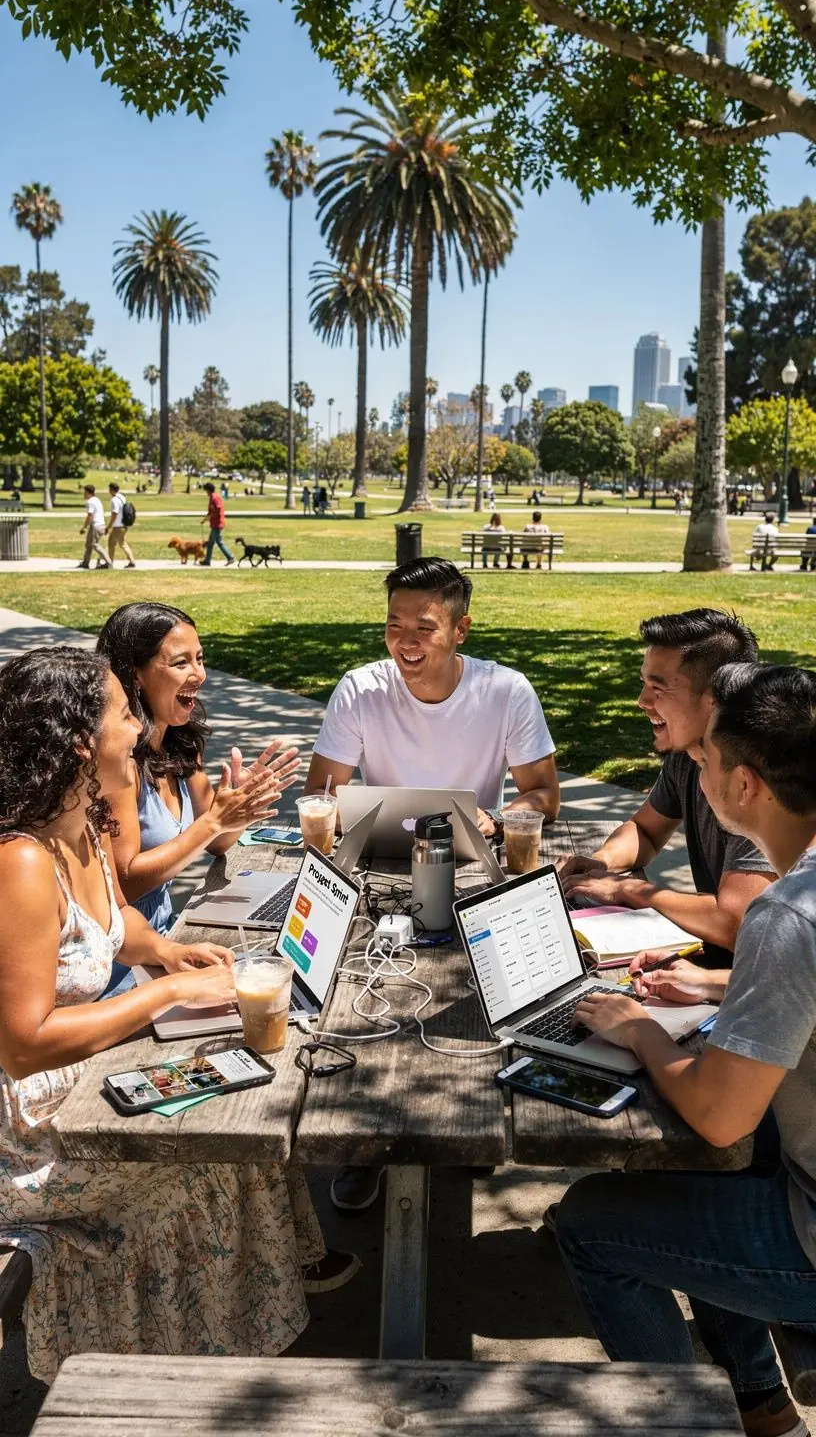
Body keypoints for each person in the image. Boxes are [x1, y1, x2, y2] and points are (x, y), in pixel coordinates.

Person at [0, 646, 355, 1386]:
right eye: (123, 714)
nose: (138, 726)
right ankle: (174, 1377)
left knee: (244, 1110)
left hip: (73, 1085)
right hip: (25, 1137)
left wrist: (165, 951)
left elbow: (114, 923)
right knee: (220, 1144)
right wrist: (161, 995)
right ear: (75, 743)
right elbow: (24, 1045)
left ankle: (221, 1348)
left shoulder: (78, 820)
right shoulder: (21, 861)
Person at [555, 662, 816, 1437]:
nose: (690, 771)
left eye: (703, 762)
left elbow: (718, 1118)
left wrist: (634, 1026)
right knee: (684, 1190)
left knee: (591, 1222)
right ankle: (757, 1405)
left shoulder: (786, 915)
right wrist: (714, 990)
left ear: (746, 787)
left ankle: (686, 1425)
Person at [304, 556, 560, 1211]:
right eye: (393, 625)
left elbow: (543, 796)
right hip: (380, 861)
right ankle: (367, 1145)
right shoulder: (361, 687)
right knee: (369, 993)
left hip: (478, 862)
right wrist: (343, 812)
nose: (406, 641)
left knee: (466, 1000)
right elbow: (322, 793)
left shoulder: (506, 690)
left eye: (424, 626)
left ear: (461, 629)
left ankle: (462, 1131)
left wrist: (493, 818)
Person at [96, 602, 300, 991]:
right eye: (180, 663)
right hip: (122, 964)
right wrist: (213, 822)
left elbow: (218, 842)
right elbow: (124, 884)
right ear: (135, 674)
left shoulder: (180, 743)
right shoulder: (118, 766)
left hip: (165, 942)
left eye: (201, 659)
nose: (200, 674)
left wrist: (238, 809)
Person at [558, 610, 774, 968]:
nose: (642, 702)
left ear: (715, 699)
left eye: (658, 688)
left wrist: (629, 889)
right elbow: (644, 829)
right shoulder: (687, 754)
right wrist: (601, 862)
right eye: (643, 684)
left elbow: (735, 922)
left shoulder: (755, 781)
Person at [200, 481, 234, 566]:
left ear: (209, 490)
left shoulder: (215, 498)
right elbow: (210, 512)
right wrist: (205, 520)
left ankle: (230, 557)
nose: (206, 493)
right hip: (214, 524)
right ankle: (207, 561)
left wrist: (211, 516)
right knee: (210, 543)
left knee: (219, 542)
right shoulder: (212, 497)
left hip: (217, 524)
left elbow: (218, 510)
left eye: (206, 491)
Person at [78, 484, 110, 570]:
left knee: (94, 544)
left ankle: (108, 562)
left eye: (85, 492)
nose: (84, 494)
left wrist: (84, 527)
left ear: (88, 493)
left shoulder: (90, 502)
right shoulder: (97, 500)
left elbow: (90, 516)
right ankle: (85, 562)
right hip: (100, 524)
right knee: (88, 544)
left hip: (96, 525)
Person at [105, 482, 136, 569]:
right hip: (124, 525)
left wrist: (109, 526)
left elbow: (114, 514)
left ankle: (109, 562)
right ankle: (132, 561)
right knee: (122, 543)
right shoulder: (122, 497)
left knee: (111, 544)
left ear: (111, 490)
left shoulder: (114, 499)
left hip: (118, 526)